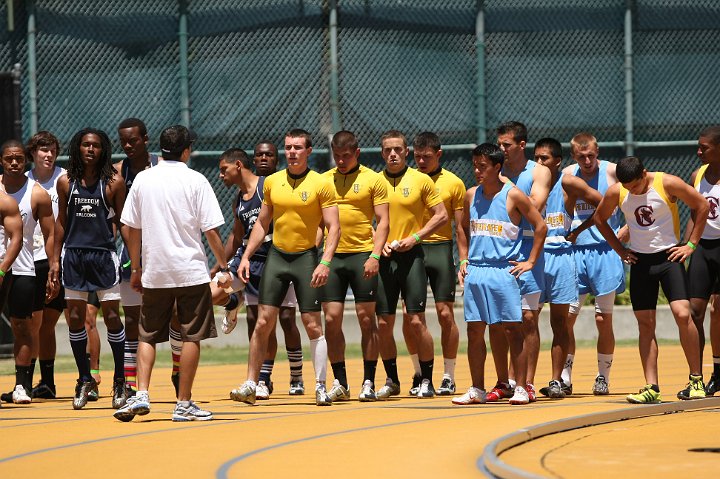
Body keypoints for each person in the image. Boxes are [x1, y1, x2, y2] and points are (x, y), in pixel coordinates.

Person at [114, 125, 226, 422]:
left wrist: (136, 267)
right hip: (189, 270)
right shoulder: (196, 179)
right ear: (186, 149)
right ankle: (184, 402)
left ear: (160, 148)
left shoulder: (142, 179)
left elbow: (131, 228)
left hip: (155, 270)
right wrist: (224, 266)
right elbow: (211, 231)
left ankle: (141, 394)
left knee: (147, 336)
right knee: (191, 335)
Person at [230, 129, 340, 406]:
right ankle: (251, 384)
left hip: (306, 258)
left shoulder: (321, 183)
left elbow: (333, 227)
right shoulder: (272, 183)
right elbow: (261, 223)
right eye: (288, 147)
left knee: (312, 323)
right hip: (277, 258)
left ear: (308, 151)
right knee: (263, 321)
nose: (292, 152)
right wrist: (245, 256)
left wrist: (325, 261)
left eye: (298, 147)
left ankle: (319, 386)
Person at [594, 156, 708, 403]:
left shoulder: (667, 183)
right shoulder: (618, 191)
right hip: (640, 262)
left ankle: (696, 379)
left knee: (682, 313)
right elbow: (599, 219)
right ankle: (651, 386)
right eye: (627, 187)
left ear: (644, 174)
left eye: (634, 186)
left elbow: (702, 206)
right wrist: (620, 250)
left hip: (669, 258)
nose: (631, 191)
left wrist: (690, 245)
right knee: (645, 323)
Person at [453, 143, 546, 405]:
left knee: (512, 330)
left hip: (503, 270)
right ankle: (477, 389)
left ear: (497, 167)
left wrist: (530, 261)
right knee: (474, 331)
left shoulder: (513, 195)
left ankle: (520, 387)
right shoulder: (471, 195)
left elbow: (540, 227)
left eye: (482, 166)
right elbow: (461, 229)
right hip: (477, 271)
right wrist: (463, 259)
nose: (477, 171)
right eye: (475, 165)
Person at [214, 141, 306, 396]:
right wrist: (218, 265)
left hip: (277, 258)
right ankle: (263, 378)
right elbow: (236, 235)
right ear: (250, 160)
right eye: (259, 155)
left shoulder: (274, 186)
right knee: (254, 318)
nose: (264, 158)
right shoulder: (240, 199)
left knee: (284, 319)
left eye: (270, 155)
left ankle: (295, 375)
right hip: (249, 259)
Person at [51, 128, 128, 410]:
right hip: (73, 255)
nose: (90, 150)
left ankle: (120, 379)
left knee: (110, 317)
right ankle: (84, 378)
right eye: (85, 145)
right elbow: (61, 222)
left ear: (103, 149)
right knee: (75, 317)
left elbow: (123, 221)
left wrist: (134, 255)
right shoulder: (65, 183)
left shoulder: (114, 183)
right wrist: (55, 260)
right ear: (77, 148)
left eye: (95, 145)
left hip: (103, 256)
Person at [375, 130, 447, 399]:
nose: (392, 154)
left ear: (406, 152)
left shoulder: (421, 180)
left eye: (397, 149)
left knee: (415, 320)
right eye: (387, 150)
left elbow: (441, 216)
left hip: (412, 257)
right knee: (383, 323)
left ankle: (427, 379)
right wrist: (376, 241)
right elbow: (359, 218)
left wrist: (415, 238)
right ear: (381, 153)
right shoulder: (374, 181)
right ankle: (392, 380)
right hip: (383, 259)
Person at [321, 130, 389, 402]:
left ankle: (369, 380)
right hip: (333, 258)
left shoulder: (374, 180)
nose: (341, 161)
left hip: (362, 255)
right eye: (337, 156)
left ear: (357, 153)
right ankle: (340, 381)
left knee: (365, 319)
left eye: (346, 156)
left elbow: (383, 221)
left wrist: (374, 256)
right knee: (330, 319)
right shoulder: (324, 180)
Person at [532, 138, 602, 399]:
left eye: (544, 159)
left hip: (560, 255)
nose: (539, 163)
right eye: (536, 158)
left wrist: (578, 230)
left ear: (558, 161)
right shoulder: (525, 181)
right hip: (535, 257)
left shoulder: (567, 183)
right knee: (527, 320)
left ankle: (556, 381)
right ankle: (525, 382)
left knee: (560, 322)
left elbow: (603, 203)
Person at [486, 121, 550, 403]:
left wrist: (508, 191)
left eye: (506, 145)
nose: (502, 149)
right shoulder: (495, 170)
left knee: (527, 318)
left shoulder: (538, 171)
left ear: (521, 145)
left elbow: (534, 205)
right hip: (501, 246)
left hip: (528, 246)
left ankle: (529, 382)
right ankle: (507, 381)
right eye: (499, 145)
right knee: (501, 320)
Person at [561, 133, 627, 395]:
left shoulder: (612, 171)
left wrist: (625, 231)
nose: (587, 161)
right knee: (566, 318)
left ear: (598, 151)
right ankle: (565, 375)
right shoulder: (568, 174)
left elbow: (636, 199)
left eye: (591, 155)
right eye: (581, 156)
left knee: (602, 319)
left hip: (604, 252)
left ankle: (603, 376)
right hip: (575, 252)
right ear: (573, 156)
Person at [403, 132, 466, 396]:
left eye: (426, 157)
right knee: (410, 316)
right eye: (417, 156)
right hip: (411, 250)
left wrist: (463, 258)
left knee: (445, 313)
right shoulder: (405, 179)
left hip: (440, 250)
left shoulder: (454, 183)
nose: (421, 161)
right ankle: (419, 372)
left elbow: (461, 228)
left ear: (438, 155)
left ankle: (448, 375)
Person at [0, 140, 53, 404]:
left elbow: (51, 233)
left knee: (23, 326)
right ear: (1, 160)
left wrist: (54, 266)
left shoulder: (37, 193)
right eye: (9, 158)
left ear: (25, 161)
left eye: (19, 159)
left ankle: (23, 386)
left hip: (22, 267)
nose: (14, 163)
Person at [25, 131, 66, 400]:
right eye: (43, 150)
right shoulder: (24, 182)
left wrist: (59, 260)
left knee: (48, 323)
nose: (48, 154)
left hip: (58, 259)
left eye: (52, 150)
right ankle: (25, 382)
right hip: (30, 259)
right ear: (33, 153)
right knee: (31, 324)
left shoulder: (63, 179)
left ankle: (48, 381)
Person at [686, 125, 720, 397]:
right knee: (694, 311)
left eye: (704, 148)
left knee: (717, 310)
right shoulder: (697, 176)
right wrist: (687, 246)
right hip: (701, 247)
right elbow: (694, 214)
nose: (698, 152)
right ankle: (695, 376)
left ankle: (718, 371)